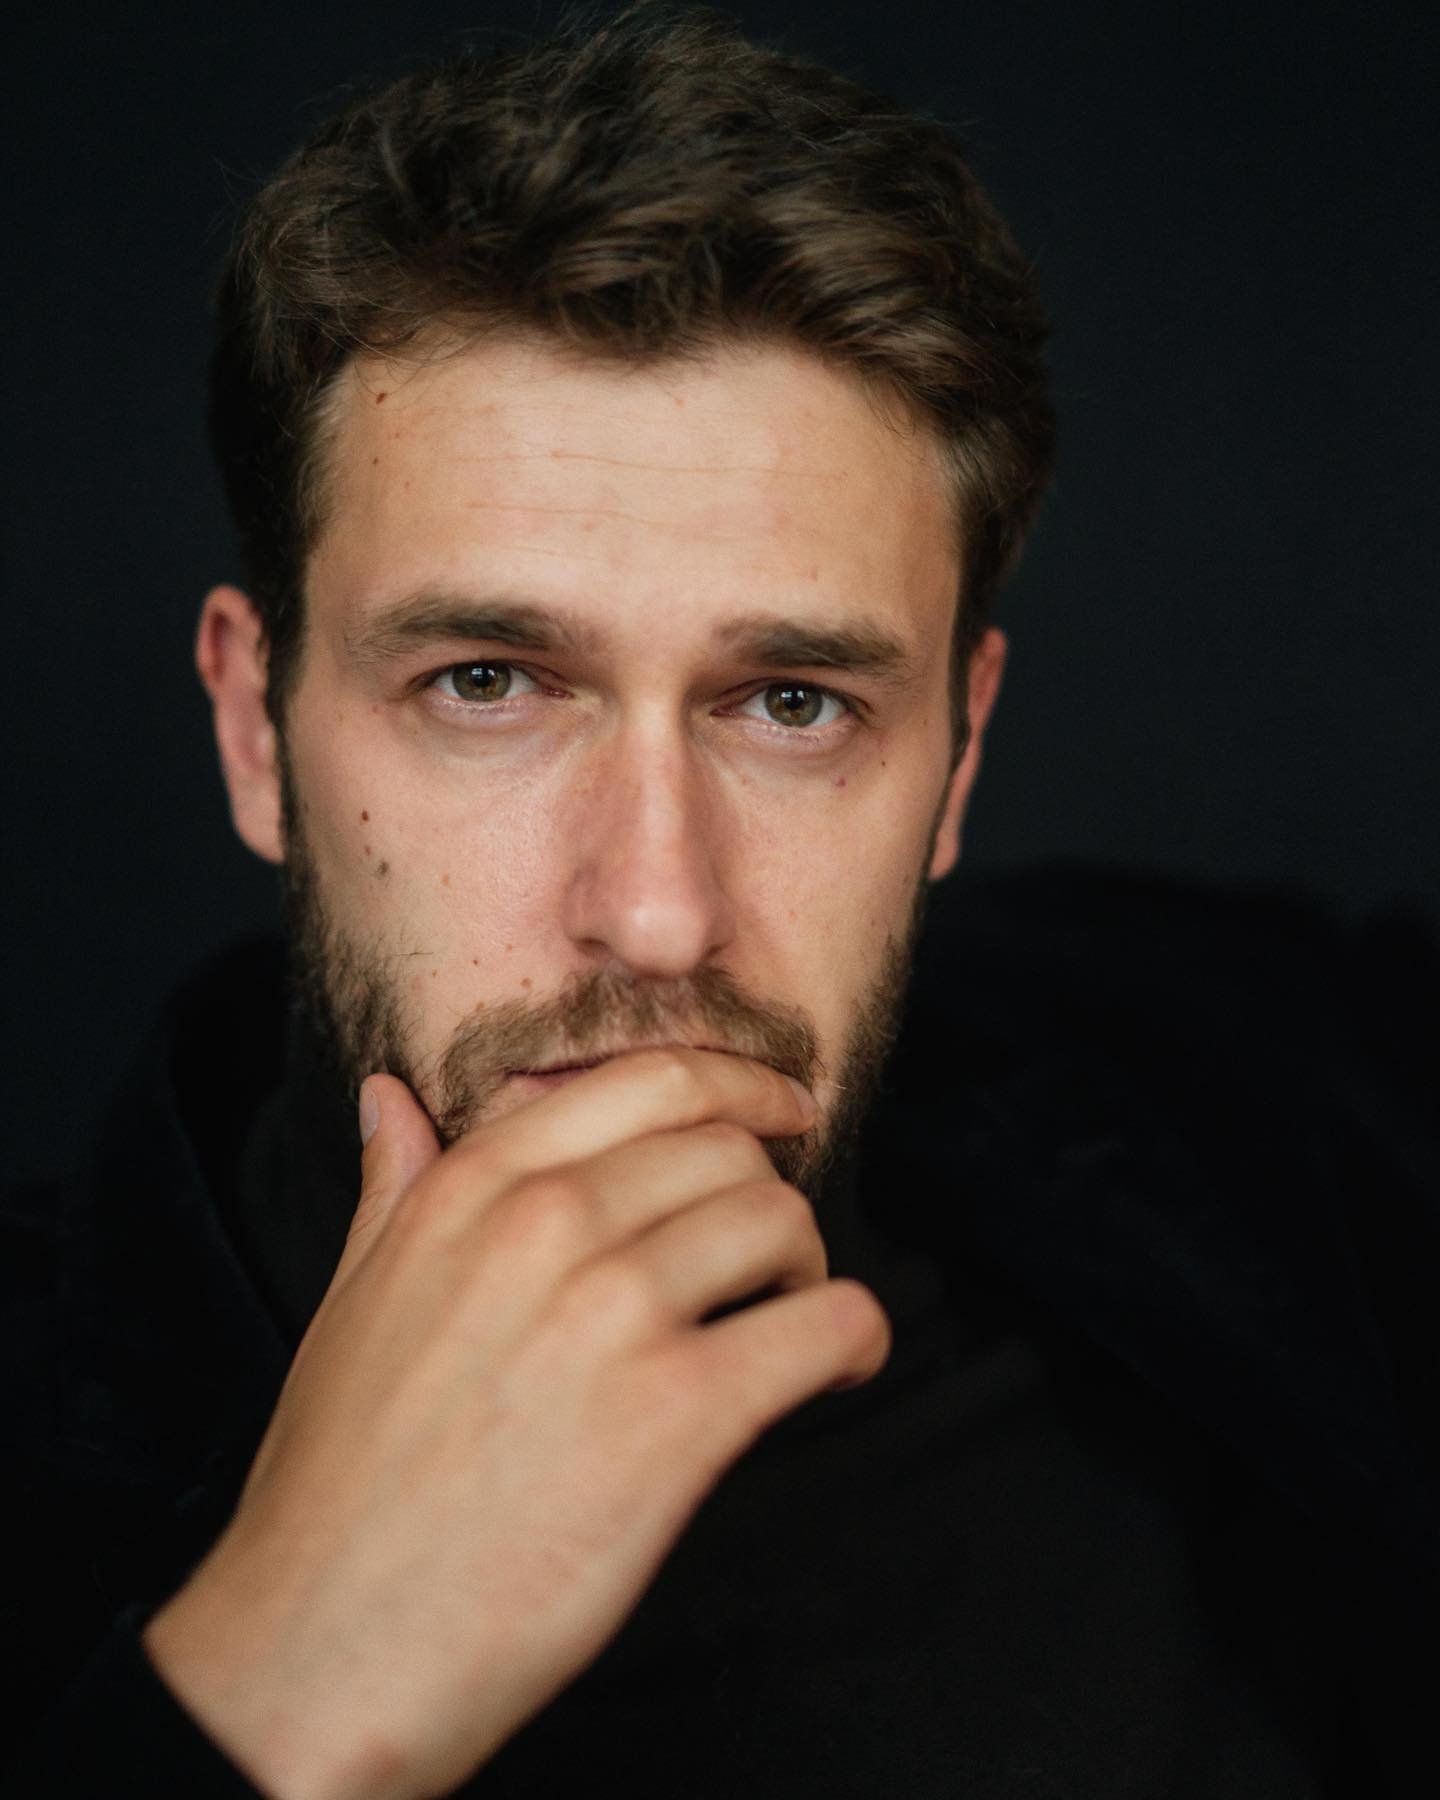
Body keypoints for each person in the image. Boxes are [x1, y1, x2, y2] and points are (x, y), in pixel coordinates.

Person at [4, 2, 1436, 1794]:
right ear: (252, 729)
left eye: (793, 706)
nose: (660, 913)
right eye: (487, 684)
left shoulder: (1283, 1122)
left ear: (959, 760)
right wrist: (262, 1697)